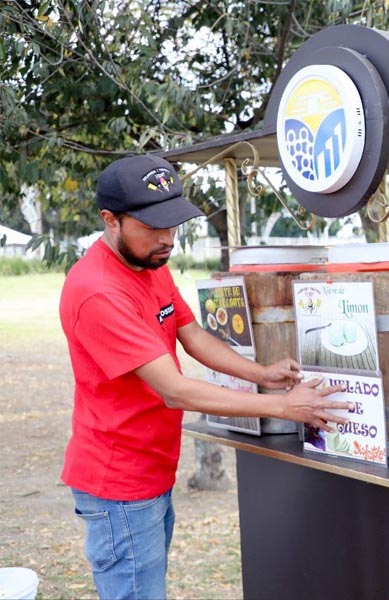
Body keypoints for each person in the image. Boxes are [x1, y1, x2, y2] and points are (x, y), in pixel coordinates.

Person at [58, 155, 350, 599]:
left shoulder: (151, 265)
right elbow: (174, 391)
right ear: (110, 220)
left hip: (151, 469)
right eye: (152, 227)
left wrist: (263, 375)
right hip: (119, 483)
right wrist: (284, 407)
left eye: (172, 225)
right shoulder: (97, 290)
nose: (167, 239)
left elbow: (191, 334)